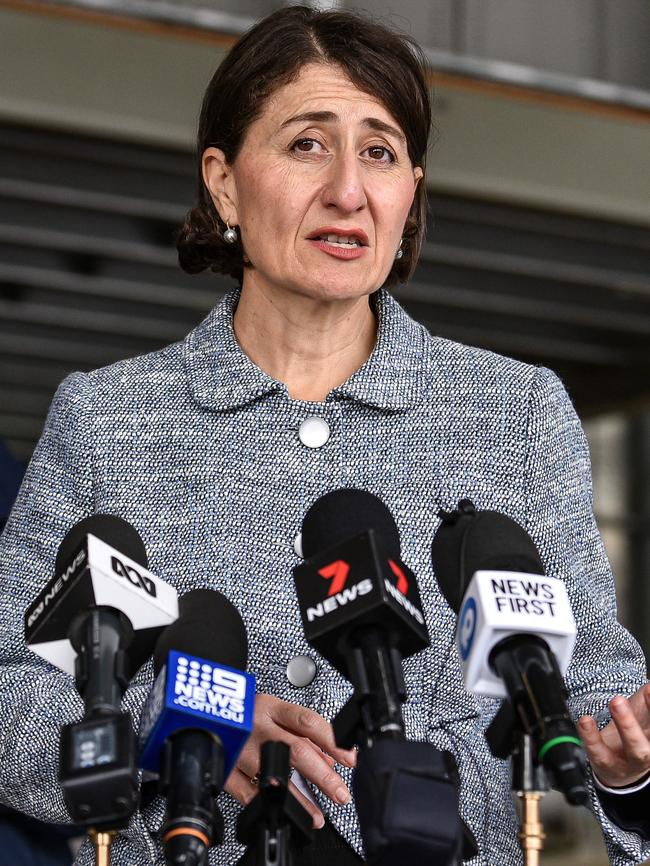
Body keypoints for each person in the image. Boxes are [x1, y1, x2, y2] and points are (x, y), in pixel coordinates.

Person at [1, 6, 650, 865]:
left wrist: (625, 765)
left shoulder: (518, 414)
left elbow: (596, 686)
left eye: (379, 151)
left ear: (410, 189)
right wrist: (182, 726)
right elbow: (14, 699)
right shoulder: (106, 419)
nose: (348, 188)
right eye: (308, 143)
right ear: (224, 182)